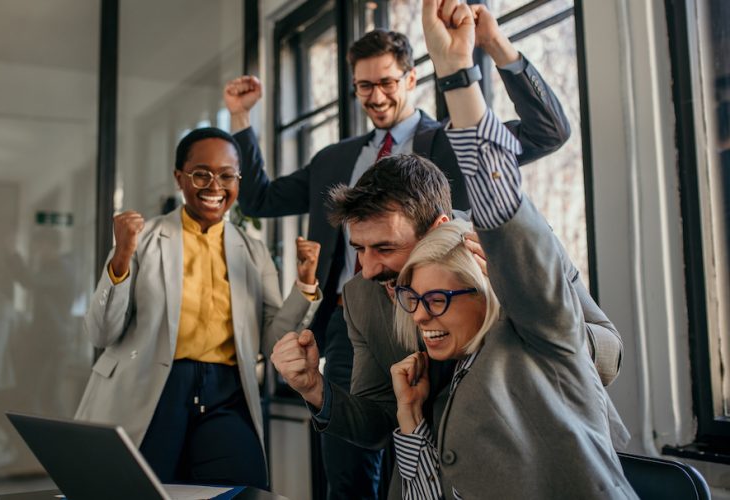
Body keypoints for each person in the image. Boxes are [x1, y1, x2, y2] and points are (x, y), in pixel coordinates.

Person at [270, 3, 627, 498]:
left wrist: (530, 316)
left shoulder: (514, 266)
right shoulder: (362, 297)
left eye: (385, 248)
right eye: (360, 249)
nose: (366, 268)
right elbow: (375, 422)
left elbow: (606, 355)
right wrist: (314, 388)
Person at [386, 3, 637, 497]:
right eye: (413, 299)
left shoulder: (534, 327)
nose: (419, 316)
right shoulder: (441, 370)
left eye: (435, 300)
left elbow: (506, 213)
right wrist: (412, 424)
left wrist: (458, 73)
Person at [74, 127, 322, 488]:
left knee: (241, 488)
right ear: (180, 178)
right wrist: (122, 257)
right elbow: (101, 332)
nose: (214, 186)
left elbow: (272, 341)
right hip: (156, 385)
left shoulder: (252, 252)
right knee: (144, 490)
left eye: (226, 175)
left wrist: (304, 285)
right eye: (201, 173)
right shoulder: (142, 240)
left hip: (226, 391)